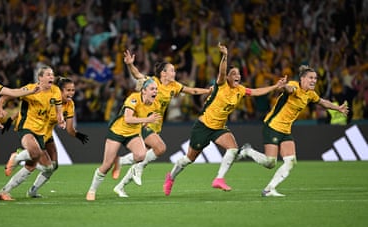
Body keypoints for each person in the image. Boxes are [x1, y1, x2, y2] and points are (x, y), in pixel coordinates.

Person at [162, 43, 287, 196]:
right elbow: (221, 71)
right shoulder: (221, 85)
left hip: (219, 128)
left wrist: (275, 86)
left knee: (233, 149)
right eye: (234, 74)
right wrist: (225, 56)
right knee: (189, 159)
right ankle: (171, 177)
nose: (238, 76)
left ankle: (219, 179)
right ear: (227, 76)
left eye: (239, 74)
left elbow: (255, 91)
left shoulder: (240, 90)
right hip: (203, 126)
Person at [111, 49, 212, 194]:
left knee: (143, 156)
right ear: (163, 73)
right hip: (144, 123)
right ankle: (133, 167)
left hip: (156, 125)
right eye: (171, 70)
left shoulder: (174, 86)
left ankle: (120, 184)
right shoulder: (153, 82)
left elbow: (191, 91)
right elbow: (137, 75)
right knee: (160, 148)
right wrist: (130, 65)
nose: (174, 73)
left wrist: (207, 91)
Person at [238, 65, 348, 197]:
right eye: (310, 78)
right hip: (273, 126)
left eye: (315, 78)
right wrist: (284, 86)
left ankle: (269, 189)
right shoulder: (295, 86)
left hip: (285, 130)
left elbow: (322, 102)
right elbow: (290, 89)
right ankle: (247, 151)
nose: (313, 80)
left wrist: (338, 108)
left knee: (290, 161)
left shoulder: (310, 94)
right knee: (270, 162)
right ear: (302, 79)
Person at [0, 65, 65, 201]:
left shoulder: (55, 90)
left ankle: (4, 192)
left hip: (41, 132)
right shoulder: (31, 89)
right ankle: (16, 157)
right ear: (40, 78)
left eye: (52, 74)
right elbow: (7, 95)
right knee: (36, 153)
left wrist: (60, 117)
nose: (51, 77)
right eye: (48, 75)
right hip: (26, 127)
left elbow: (58, 107)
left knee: (42, 167)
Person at [86, 78, 161, 201]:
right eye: (152, 89)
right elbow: (127, 118)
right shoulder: (134, 98)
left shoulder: (155, 104)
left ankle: (120, 161)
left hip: (133, 133)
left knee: (141, 155)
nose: (155, 92)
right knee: (106, 165)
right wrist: (146, 120)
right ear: (144, 91)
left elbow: (145, 118)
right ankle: (92, 190)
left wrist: (146, 123)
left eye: (156, 89)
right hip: (117, 132)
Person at [26, 76, 89, 198]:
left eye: (73, 90)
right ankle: (20, 156)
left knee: (54, 166)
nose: (71, 93)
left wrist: (77, 135)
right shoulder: (50, 99)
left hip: (48, 135)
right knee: (41, 165)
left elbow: (70, 129)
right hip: (37, 133)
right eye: (68, 90)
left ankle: (33, 191)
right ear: (60, 91)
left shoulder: (70, 104)